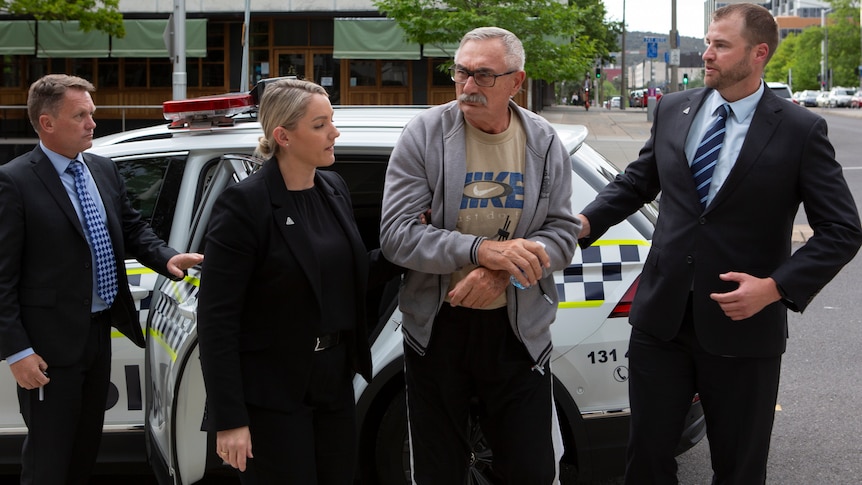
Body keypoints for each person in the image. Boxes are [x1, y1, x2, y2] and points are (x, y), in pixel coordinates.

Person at [576, 4, 862, 483]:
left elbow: (842, 229)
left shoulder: (799, 130)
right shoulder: (672, 109)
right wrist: (581, 223)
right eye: (707, 42)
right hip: (660, 321)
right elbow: (635, 184)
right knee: (645, 462)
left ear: (758, 54)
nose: (706, 54)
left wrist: (774, 287)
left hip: (743, 328)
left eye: (720, 45)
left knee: (738, 469)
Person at [379, 27, 579, 483]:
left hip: (518, 330)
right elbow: (396, 234)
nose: (468, 87)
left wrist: (501, 274)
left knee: (529, 468)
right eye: (461, 73)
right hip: (438, 327)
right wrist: (481, 250)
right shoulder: (424, 135)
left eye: (484, 76)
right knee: (438, 469)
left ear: (516, 81)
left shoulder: (544, 142)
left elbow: (564, 233)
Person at [0, 74, 203, 484]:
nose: (93, 123)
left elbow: (132, 230)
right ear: (47, 123)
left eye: (92, 113)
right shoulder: (15, 181)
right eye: (81, 115)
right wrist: (17, 351)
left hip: (97, 336)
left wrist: (166, 257)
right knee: (48, 459)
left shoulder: (102, 169)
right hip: (47, 348)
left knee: (84, 451)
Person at [196, 78, 401, 484]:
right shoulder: (245, 204)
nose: (335, 133)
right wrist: (230, 419)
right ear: (283, 136)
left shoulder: (333, 188)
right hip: (271, 391)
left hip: (334, 380)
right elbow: (217, 320)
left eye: (332, 121)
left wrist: (409, 248)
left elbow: (351, 276)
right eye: (321, 124)